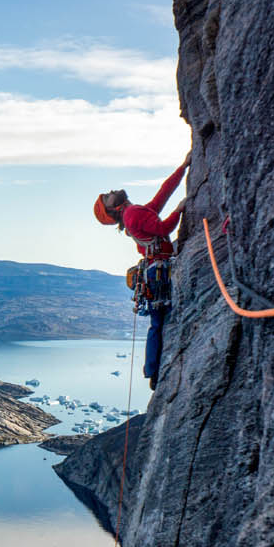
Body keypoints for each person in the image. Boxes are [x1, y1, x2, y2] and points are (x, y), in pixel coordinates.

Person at [93, 153, 191, 389]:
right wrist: (180, 210)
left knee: (158, 323)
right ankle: (154, 371)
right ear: (113, 209)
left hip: (154, 270)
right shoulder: (132, 214)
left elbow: (162, 195)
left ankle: (153, 370)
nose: (110, 192)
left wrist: (184, 166)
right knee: (159, 323)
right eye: (107, 197)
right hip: (158, 271)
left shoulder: (133, 213)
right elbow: (163, 227)